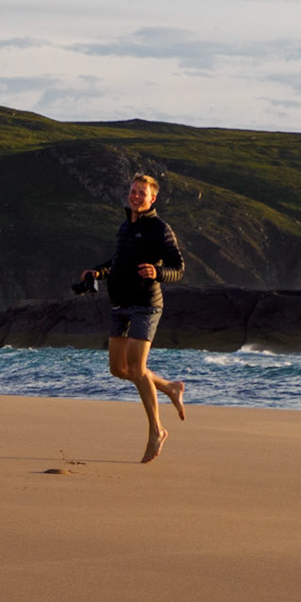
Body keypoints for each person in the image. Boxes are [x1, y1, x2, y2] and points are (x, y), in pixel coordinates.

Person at [80, 172, 187, 463]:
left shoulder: (160, 229)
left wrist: (158, 272)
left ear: (153, 198)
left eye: (143, 193)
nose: (136, 196)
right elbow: (117, 263)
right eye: (133, 191)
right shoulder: (125, 226)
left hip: (146, 304)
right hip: (120, 304)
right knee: (118, 369)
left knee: (138, 369)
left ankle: (157, 431)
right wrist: (97, 272)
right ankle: (169, 387)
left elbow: (178, 267)